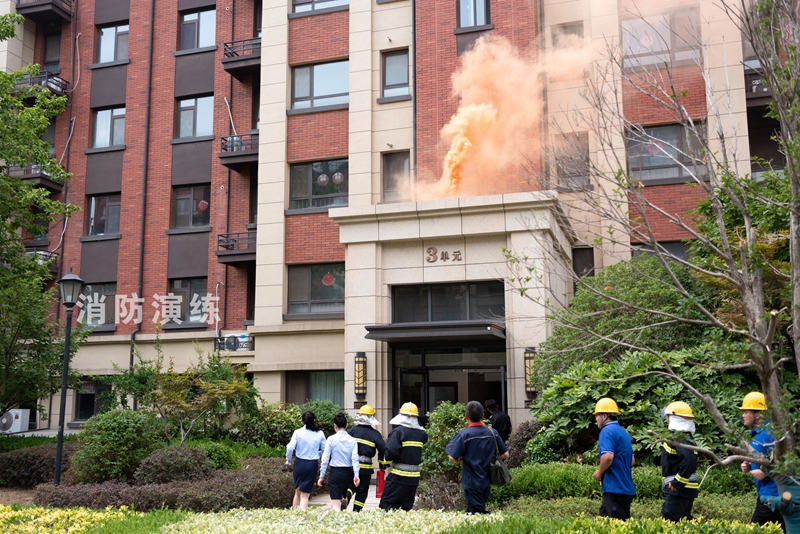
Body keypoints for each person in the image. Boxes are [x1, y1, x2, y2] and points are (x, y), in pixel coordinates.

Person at [446, 400, 509, 514]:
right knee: (476, 512)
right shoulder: (492, 433)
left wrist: (461, 459)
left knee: (476, 514)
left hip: (471, 482)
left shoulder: (464, 435)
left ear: (466, 416)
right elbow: (505, 455)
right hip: (487, 481)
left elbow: (452, 457)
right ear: (482, 416)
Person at [740, 391, 786, 531]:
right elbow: (766, 458)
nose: (743, 415)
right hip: (772, 494)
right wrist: (749, 464)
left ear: (758, 414)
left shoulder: (769, 434)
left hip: (771, 495)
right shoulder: (758, 434)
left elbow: (785, 459)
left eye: (746, 412)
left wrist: (765, 472)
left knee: (752, 531)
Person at [378, 402, 428, 511]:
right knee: (405, 507)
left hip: (398, 476)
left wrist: (386, 462)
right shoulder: (421, 434)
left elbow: (390, 451)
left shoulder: (398, 432)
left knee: (386, 504)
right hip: (414, 478)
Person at [592, 397, 636, 520]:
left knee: (618, 526)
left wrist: (599, 473)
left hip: (615, 490)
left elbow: (607, 457)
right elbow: (632, 460)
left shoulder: (606, 431)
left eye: (597, 415)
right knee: (602, 522)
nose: (596, 419)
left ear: (604, 416)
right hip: (624, 488)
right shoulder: (623, 432)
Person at [344, 404, 388, 512]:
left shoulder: (352, 431)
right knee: (362, 490)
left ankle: (346, 498)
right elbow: (383, 450)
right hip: (365, 468)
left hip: (351, 466)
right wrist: (382, 464)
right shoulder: (375, 434)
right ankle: (356, 511)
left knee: (351, 485)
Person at [660, 401, 699, 522]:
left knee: (669, 522)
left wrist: (677, 483)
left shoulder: (679, 437)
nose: (666, 419)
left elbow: (688, 462)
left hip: (679, 491)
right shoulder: (684, 437)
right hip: (683, 490)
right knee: (683, 524)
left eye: (668, 416)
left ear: (674, 418)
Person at [318, 413, 360, 511]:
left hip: (335, 473)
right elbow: (355, 459)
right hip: (347, 473)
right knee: (337, 502)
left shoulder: (331, 439)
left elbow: (325, 459)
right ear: (346, 425)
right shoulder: (352, 440)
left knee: (335, 503)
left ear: (335, 426)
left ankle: (337, 518)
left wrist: (321, 476)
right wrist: (356, 475)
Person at [285, 411, 327, 510]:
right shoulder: (320, 433)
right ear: (314, 420)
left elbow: (290, 447)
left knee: (297, 493)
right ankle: (302, 516)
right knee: (305, 495)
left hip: (299, 463)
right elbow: (325, 449)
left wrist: (288, 459)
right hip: (312, 464)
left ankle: (294, 515)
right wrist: (318, 454)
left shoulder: (297, 432)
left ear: (302, 421)